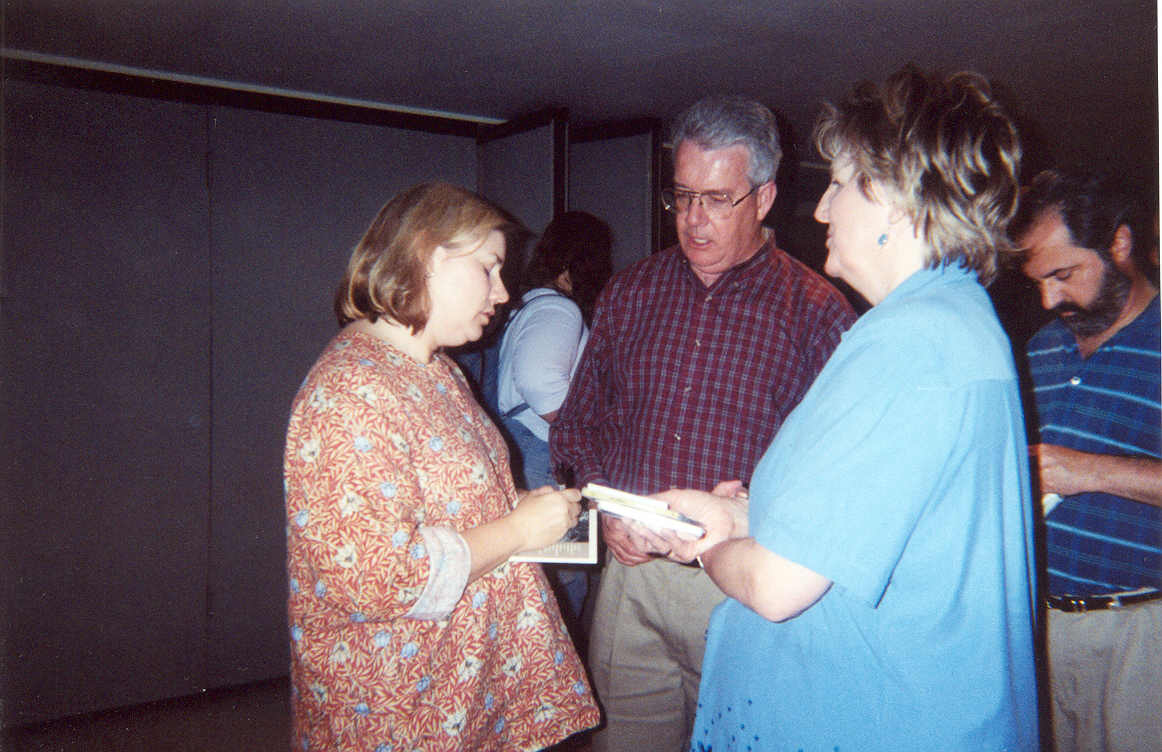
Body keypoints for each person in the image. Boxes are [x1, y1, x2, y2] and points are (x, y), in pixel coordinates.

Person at [652, 66, 1040, 750]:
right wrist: (741, 514)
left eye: (837, 184)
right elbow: (871, 519)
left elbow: (777, 585)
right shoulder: (954, 323)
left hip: (868, 720)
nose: (823, 210)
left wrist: (709, 544)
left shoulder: (909, 342)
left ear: (893, 196)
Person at [550, 96, 856, 752]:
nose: (693, 219)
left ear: (765, 197)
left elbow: (839, 481)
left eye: (717, 198)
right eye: (682, 196)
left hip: (744, 583)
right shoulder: (632, 292)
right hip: (630, 586)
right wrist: (605, 505)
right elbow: (576, 426)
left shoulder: (819, 315)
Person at [283, 182, 599, 751]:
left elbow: (448, 504)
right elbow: (377, 579)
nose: (502, 293)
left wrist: (518, 506)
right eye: (489, 269)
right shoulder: (351, 390)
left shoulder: (437, 371)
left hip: (463, 685)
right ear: (428, 256)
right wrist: (517, 531)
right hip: (402, 707)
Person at [1013, 166, 1161, 752]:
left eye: (1064, 274)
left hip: (1141, 632)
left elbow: (1070, 469)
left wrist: (1084, 470)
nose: (1051, 299)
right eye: (1038, 282)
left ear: (1119, 243)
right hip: (1040, 627)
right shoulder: (1040, 349)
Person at [496, 211, 614, 627]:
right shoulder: (559, 311)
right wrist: (586, 430)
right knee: (564, 580)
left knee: (546, 575)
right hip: (540, 447)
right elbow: (540, 383)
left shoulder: (531, 305)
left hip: (524, 442)